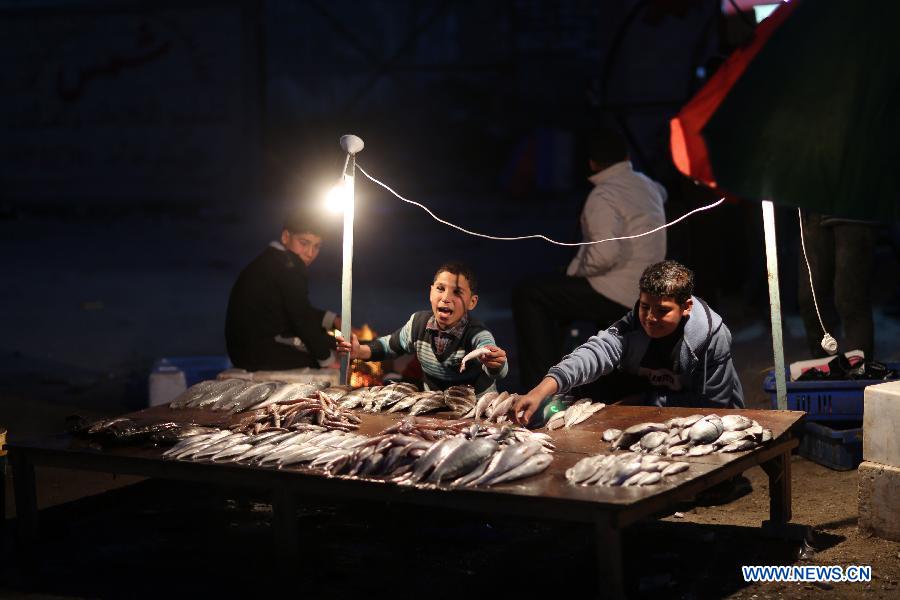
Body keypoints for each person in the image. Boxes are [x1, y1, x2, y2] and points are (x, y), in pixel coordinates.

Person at [511, 126, 667, 390]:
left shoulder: (602, 195)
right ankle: (561, 376)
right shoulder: (649, 186)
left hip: (616, 292)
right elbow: (662, 196)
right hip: (644, 287)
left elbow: (605, 255)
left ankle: (539, 387)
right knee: (554, 291)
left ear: (592, 163)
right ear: (627, 157)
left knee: (528, 293)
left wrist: (575, 270)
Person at [514, 260, 744, 426]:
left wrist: (643, 401)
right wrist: (542, 388)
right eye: (645, 306)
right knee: (587, 387)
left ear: (686, 308)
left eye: (663, 311)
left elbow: (713, 404)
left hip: (704, 415)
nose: (651, 318)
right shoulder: (633, 323)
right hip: (651, 398)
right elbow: (595, 353)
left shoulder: (711, 336)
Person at [336, 262, 508, 394]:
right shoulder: (417, 323)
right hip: (434, 408)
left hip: (475, 409)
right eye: (440, 289)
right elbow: (390, 346)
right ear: (431, 292)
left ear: (472, 302)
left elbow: (496, 366)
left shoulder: (477, 334)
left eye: (457, 292)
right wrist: (359, 351)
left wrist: (496, 363)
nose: (446, 298)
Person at [225, 205, 339, 371]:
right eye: (304, 243)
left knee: (325, 341)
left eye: (316, 246)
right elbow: (301, 318)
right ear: (286, 237)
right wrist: (327, 360)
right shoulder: (289, 267)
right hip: (256, 353)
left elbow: (295, 308)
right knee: (322, 358)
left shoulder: (273, 260)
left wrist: (331, 319)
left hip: (244, 350)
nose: (309, 253)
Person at [797, 211, 879, 359]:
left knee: (850, 299)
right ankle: (825, 370)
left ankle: (860, 374)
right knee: (811, 297)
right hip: (815, 207)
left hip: (853, 206)